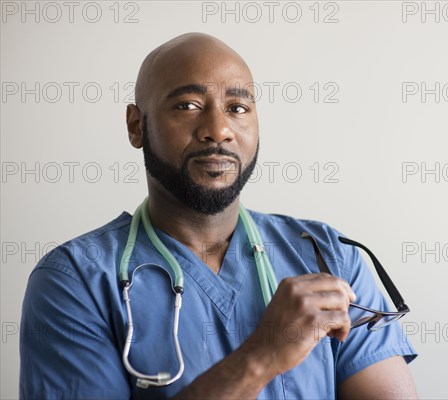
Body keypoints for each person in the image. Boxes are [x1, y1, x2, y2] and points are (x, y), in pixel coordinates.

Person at [19, 33, 418, 399]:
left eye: (237, 107)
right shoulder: (75, 280)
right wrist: (261, 356)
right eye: (188, 105)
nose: (218, 129)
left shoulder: (327, 256)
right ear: (137, 125)